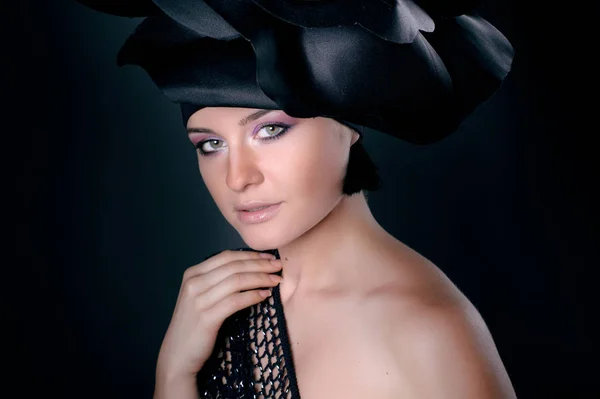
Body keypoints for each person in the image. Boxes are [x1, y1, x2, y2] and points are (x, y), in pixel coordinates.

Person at [75, 1, 517, 398]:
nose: (238, 178)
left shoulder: (428, 331)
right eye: (210, 145)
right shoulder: (219, 309)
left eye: (270, 130)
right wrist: (173, 374)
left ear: (349, 125)